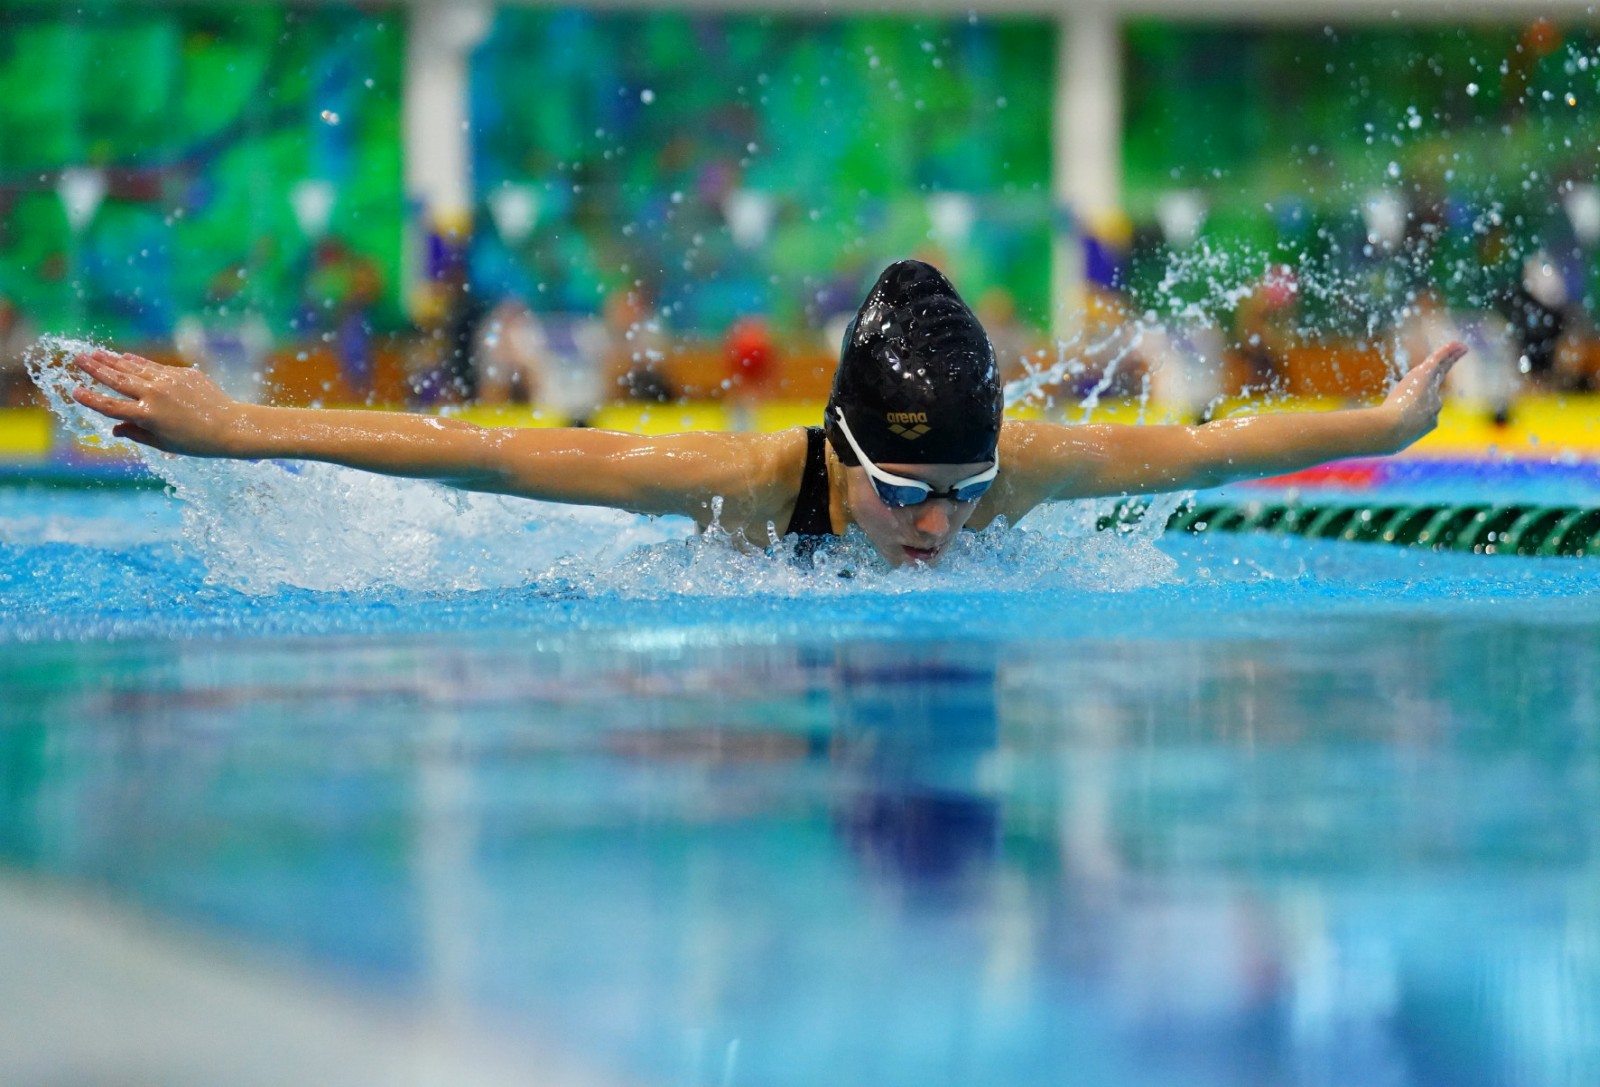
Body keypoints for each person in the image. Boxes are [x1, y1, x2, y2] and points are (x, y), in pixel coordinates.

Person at [68, 259, 1465, 570]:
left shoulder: (1023, 470)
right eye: (905, 494)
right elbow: (495, 452)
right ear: (840, 454)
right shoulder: (752, 479)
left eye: (960, 493)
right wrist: (244, 426)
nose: (939, 525)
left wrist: (1387, 428)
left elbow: (1216, 446)